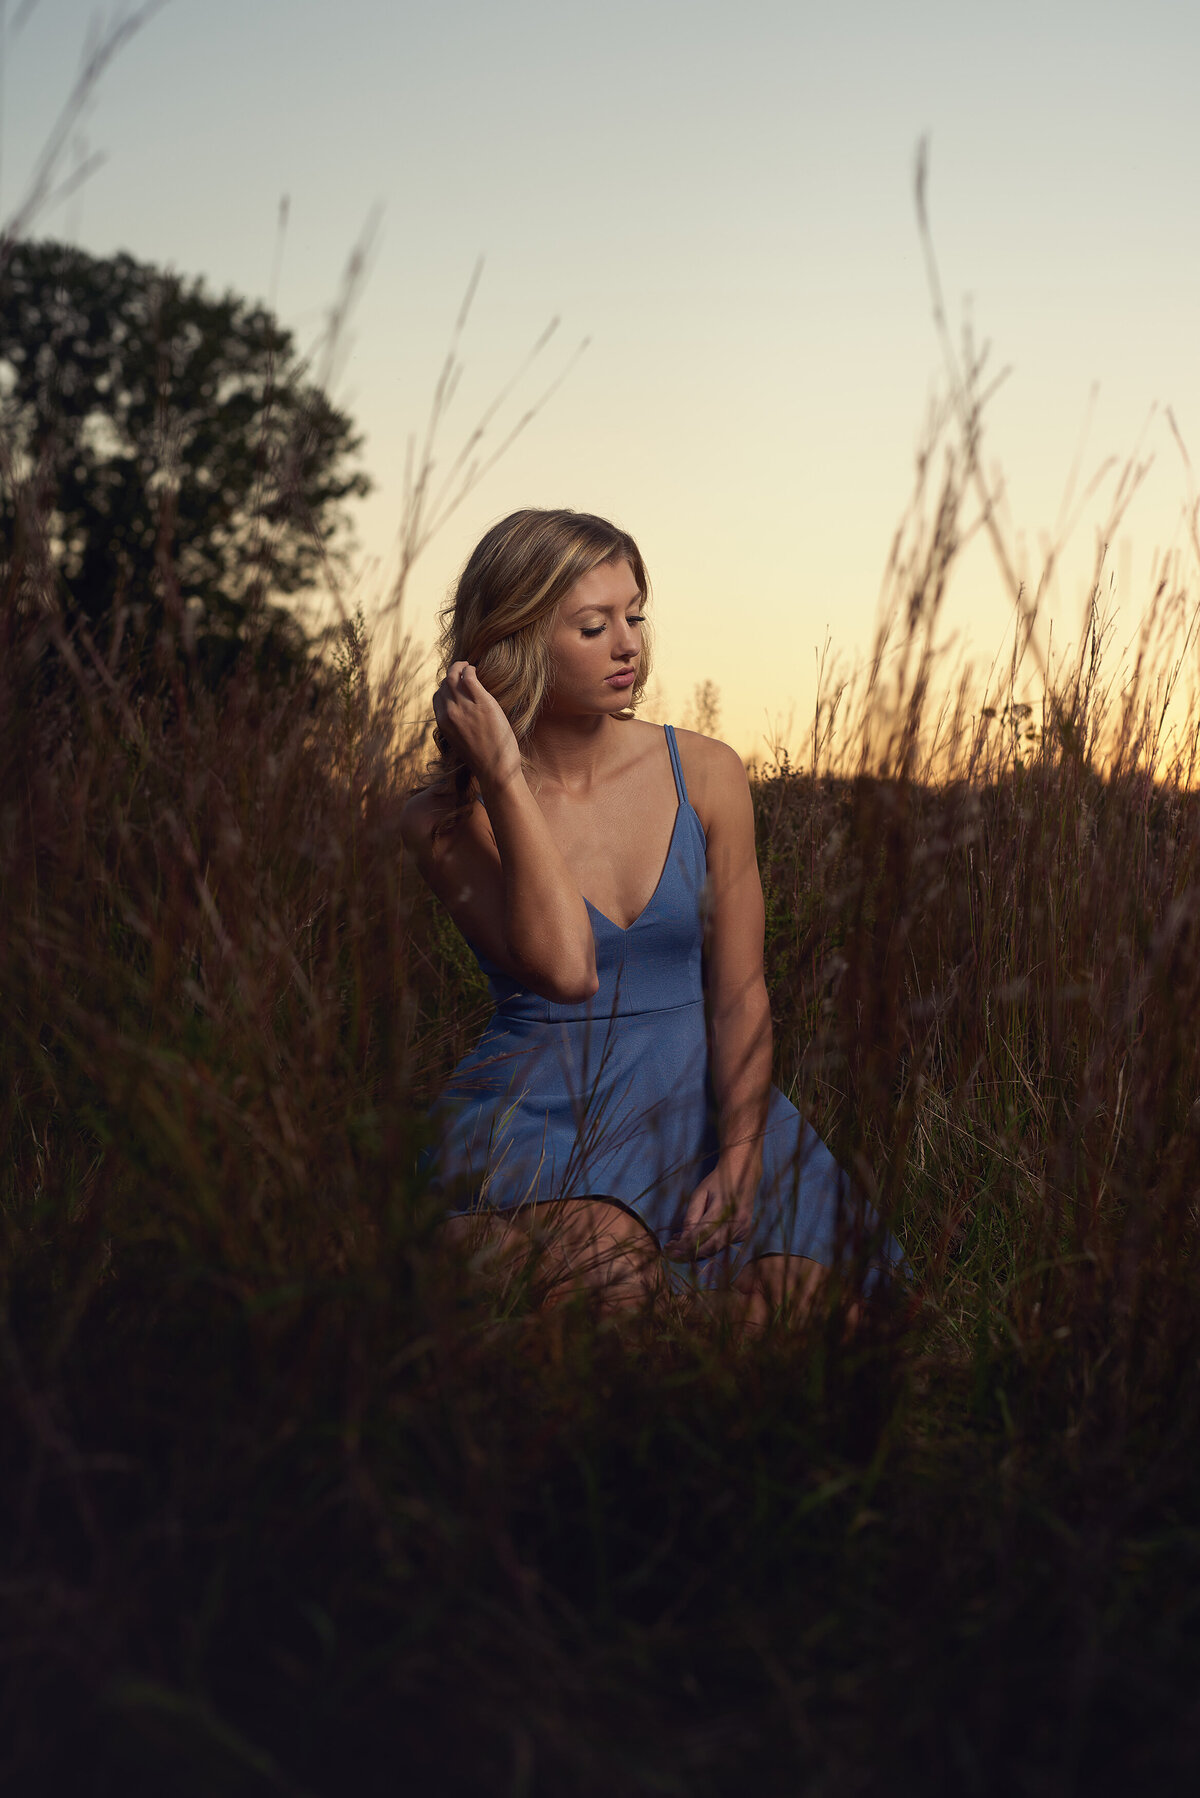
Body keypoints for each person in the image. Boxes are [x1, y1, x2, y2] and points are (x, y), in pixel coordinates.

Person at [402, 508, 902, 1325]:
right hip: (541, 1116)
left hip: (710, 1108)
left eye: (636, 615)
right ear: (517, 640)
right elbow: (567, 971)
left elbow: (740, 994)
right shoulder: (444, 818)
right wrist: (501, 773)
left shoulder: (706, 772)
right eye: (595, 625)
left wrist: (741, 1156)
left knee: (824, 1317)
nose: (630, 643)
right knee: (610, 1286)